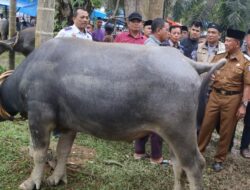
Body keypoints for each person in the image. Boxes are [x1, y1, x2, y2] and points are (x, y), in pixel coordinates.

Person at [198, 28, 250, 172]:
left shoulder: (245, 62)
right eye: (225, 40)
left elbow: (247, 86)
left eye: (228, 41)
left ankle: (219, 159)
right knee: (206, 125)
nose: (225, 43)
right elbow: (210, 71)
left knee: (226, 130)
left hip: (232, 99)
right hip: (215, 95)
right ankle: (198, 153)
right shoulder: (219, 56)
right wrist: (212, 75)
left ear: (237, 43)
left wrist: (243, 106)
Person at [134, 18, 170, 165]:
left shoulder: (154, 44)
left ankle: (139, 152)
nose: (168, 33)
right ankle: (156, 157)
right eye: (167, 29)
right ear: (159, 30)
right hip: (153, 93)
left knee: (144, 122)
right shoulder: (152, 47)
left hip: (147, 92)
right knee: (157, 125)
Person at [239, 29, 250, 159]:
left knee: (249, 123)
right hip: (237, 93)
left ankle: (244, 146)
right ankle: (228, 143)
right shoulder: (240, 55)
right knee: (232, 119)